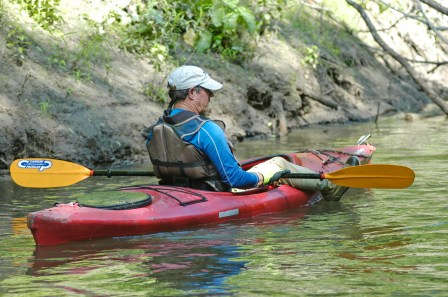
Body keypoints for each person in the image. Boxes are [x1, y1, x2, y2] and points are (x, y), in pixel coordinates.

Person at [141, 65, 358, 201]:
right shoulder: (207, 130)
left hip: (175, 194)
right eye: (207, 91)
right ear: (192, 92)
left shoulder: (156, 129)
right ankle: (332, 187)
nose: (211, 96)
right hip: (213, 195)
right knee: (279, 163)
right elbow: (235, 180)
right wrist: (264, 176)